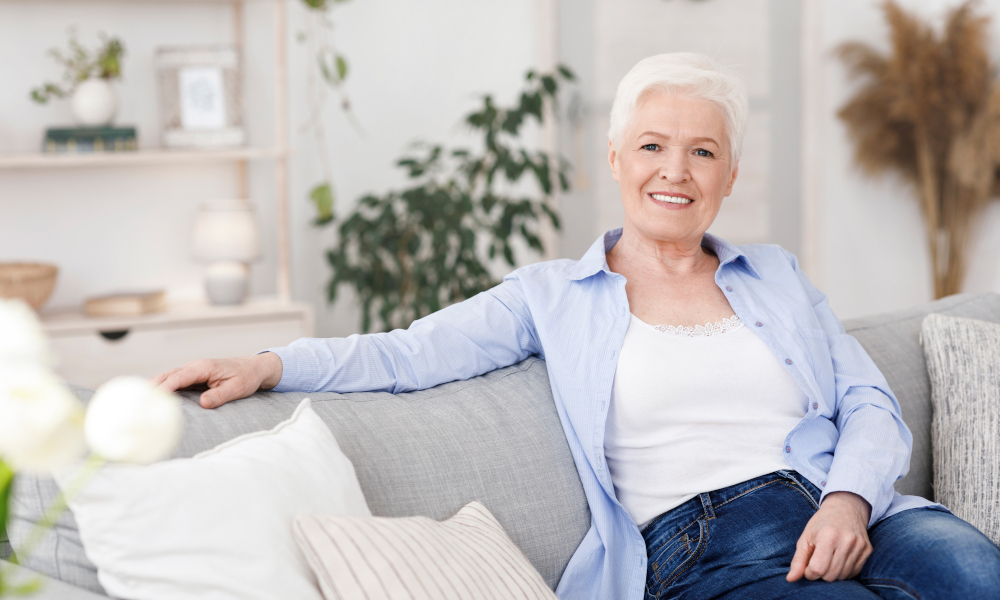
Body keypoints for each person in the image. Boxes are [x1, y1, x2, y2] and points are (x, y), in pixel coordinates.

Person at [154, 53, 1000, 600]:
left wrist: (851, 501)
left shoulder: (776, 274)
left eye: (702, 152)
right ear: (617, 160)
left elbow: (869, 402)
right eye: (652, 146)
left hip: (852, 505)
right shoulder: (552, 297)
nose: (676, 170)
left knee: (976, 572)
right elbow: (409, 351)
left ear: (730, 173)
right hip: (705, 544)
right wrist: (271, 361)